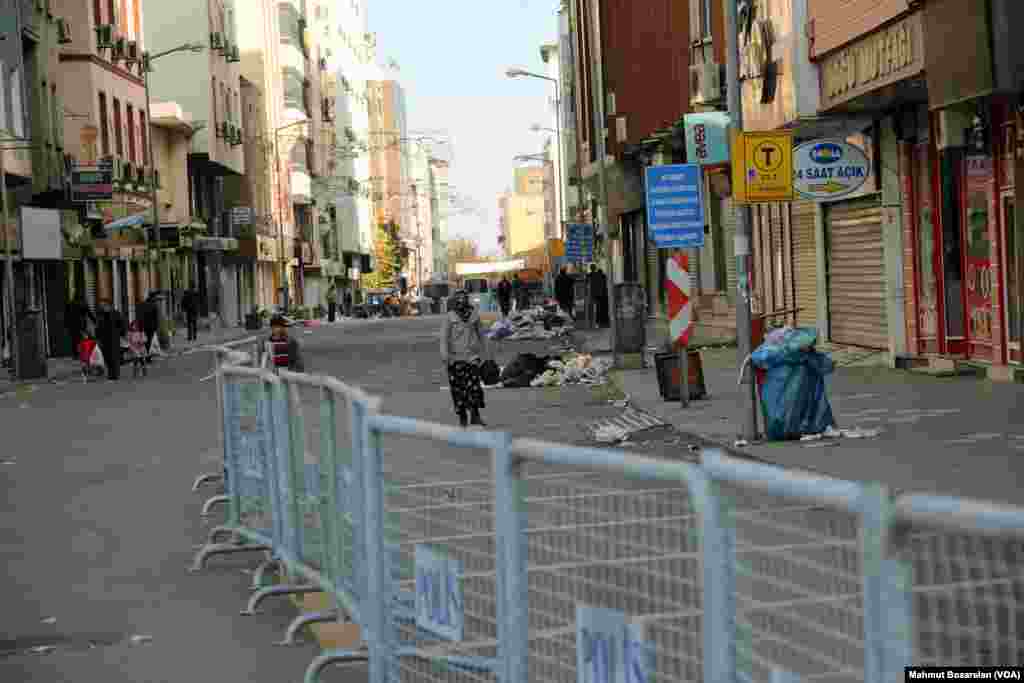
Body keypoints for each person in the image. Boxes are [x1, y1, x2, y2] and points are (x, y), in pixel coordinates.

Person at [440, 290, 488, 428]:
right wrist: (445, 356)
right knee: (459, 390)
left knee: (474, 387)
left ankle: (475, 415)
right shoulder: (449, 317)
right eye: (459, 299)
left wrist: (486, 355)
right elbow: (444, 338)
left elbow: (482, 335)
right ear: (455, 301)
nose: (462, 301)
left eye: (464, 298)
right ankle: (462, 417)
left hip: (472, 358)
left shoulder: (474, 315)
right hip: (455, 360)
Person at [95, 300, 126, 381]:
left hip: (114, 338)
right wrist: (97, 337)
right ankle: (110, 374)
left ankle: (115, 375)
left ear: (109, 305)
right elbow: (98, 327)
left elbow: (122, 324)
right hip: (104, 339)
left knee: (114, 357)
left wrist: (121, 334)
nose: (102, 307)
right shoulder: (100, 315)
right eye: (101, 306)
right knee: (107, 357)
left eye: (104, 305)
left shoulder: (115, 313)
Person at [66, 295, 95, 359]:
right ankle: (83, 354)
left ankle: (75, 355)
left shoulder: (70, 304)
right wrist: (95, 321)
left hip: (72, 324)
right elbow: (89, 313)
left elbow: (66, 315)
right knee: (82, 340)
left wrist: (66, 325)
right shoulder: (83, 303)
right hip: (81, 324)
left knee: (74, 340)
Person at [139, 293, 160, 362]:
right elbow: (156, 318)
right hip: (151, 327)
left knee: (144, 342)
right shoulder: (154, 305)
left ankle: (143, 357)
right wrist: (156, 327)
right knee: (148, 342)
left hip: (143, 326)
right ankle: (147, 357)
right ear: (153, 298)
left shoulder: (142, 304)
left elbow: (140, 316)